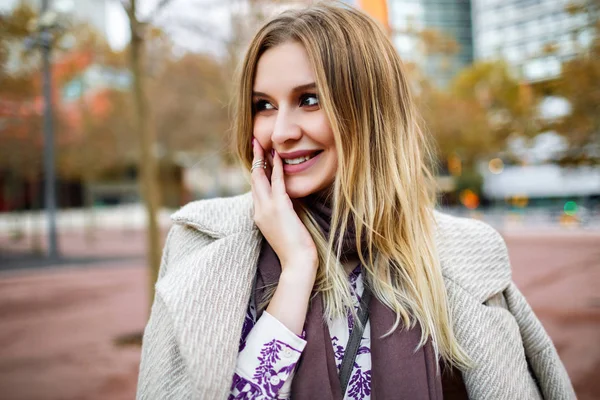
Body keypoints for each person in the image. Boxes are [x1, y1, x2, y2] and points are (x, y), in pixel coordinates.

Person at [136, 3, 574, 399]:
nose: (281, 131)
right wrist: (296, 269)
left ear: (370, 111)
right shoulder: (203, 244)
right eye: (264, 105)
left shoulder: (463, 256)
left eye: (309, 100)